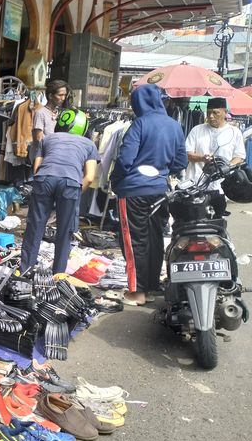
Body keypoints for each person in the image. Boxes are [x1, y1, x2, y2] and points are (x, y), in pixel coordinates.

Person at [110, 84, 188, 306]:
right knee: (155, 239)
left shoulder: (140, 124)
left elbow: (125, 159)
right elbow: (181, 162)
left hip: (133, 190)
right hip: (160, 191)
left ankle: (137, 293)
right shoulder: (174, 126)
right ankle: (151, 288)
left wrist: (116, 180)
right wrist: (161, 171)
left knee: (134, 241)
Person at [20, 109, 98, 274]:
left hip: (44, 179)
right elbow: (90, 177)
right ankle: (58, 275)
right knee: (64, 231)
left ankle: (26, 271)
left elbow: (36, 168)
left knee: (34, 227)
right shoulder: (89, 144)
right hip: (70, 183)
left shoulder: (47, 139)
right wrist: (75, 193)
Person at [184, 96, 246, 217]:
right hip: (195, 186)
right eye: (208, 113)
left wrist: (226, 167)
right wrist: (202, 158)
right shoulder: (197, 130)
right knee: (194, 222)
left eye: (215, 113)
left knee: (217, 222)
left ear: (225, 112)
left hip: (220, 188)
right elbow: (187, 154)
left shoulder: (234, 132)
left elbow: (239, 156)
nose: (211, 116)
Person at [32, 79, 70, 149]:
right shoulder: (40, 113)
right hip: (44, 153)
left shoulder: (61, 113)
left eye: (65, 95)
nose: (63, 98)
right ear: (50, 96)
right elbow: (38, 139)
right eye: (60, 95)